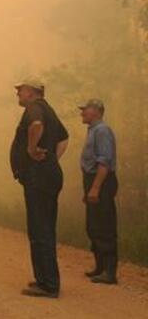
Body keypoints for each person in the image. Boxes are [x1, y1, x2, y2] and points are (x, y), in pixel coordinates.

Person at [10, 79, 69, 298]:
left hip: (39, 177)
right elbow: (64, 138)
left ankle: (49, 285)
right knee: (42, 228)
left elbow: (36, 126)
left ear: (32, 93)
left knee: (40, 229)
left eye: (20, 91)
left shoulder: (35, 109)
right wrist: (52, 159)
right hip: (47, 174)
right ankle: (44, 279)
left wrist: (31, 150)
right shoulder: (48, 110)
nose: (17, 94)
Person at [79, 99, 118, 285]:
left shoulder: (102, 131)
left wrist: (95, 188)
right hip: (92, 180)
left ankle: (109, 272)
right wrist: (88, 189)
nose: (82, 113)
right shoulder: (93, 130)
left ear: (96, 111)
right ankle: (100, 267)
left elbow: (105, 162)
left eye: (85, 110)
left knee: (104, 225)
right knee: (93, 225)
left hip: (101, 181)